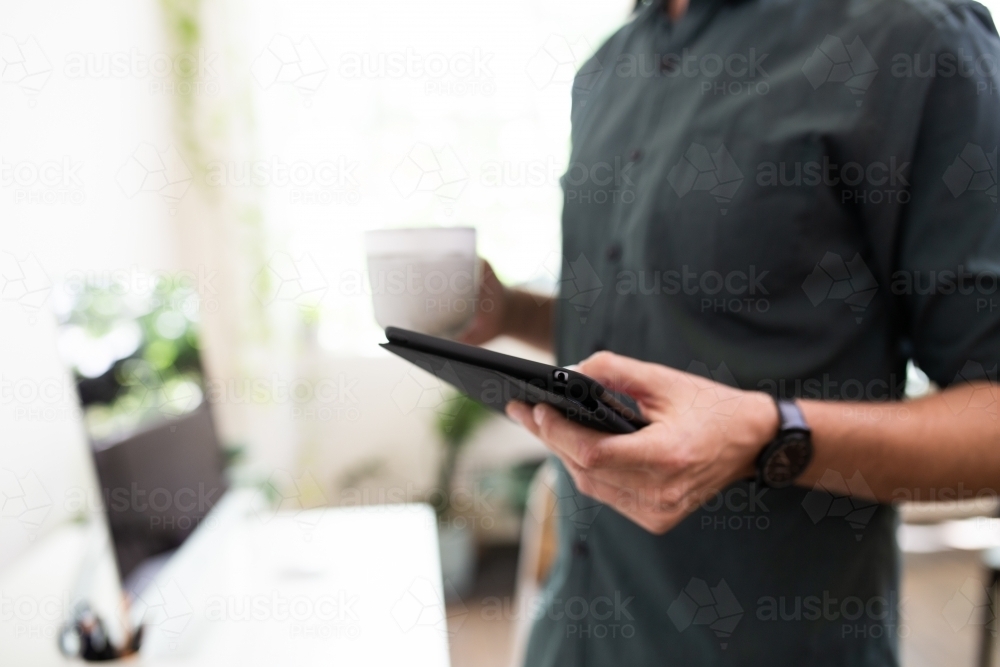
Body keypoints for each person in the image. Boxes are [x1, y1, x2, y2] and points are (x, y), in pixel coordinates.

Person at [459, 0, 1000, 663]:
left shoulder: (912, 38)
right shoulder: (608, 68)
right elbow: (658, 327)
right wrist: (508, 311)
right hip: (575, 636)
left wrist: (770, 436)